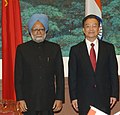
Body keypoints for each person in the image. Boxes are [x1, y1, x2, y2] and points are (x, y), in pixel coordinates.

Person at [68, 14, 119, 115]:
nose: (91, 29)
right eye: (87, 26)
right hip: (83, 98)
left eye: (94, 26)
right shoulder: (75, 50)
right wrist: (73, 97)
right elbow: (72, 75)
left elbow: (113, 72)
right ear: (83, 29)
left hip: (104, 97)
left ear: (99, 28)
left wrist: (114, 94)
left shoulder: (108, 48)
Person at [14, 13, 64, 115]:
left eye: (41, 29)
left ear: (45, 30)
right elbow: (18, 76)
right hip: (28, 101)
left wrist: (59, 98)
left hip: (49, 100)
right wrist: (20, 98)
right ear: (30, 31)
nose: (38, 32)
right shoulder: (22, 49)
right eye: (35, 29)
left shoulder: (54, 48)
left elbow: (60, 76)